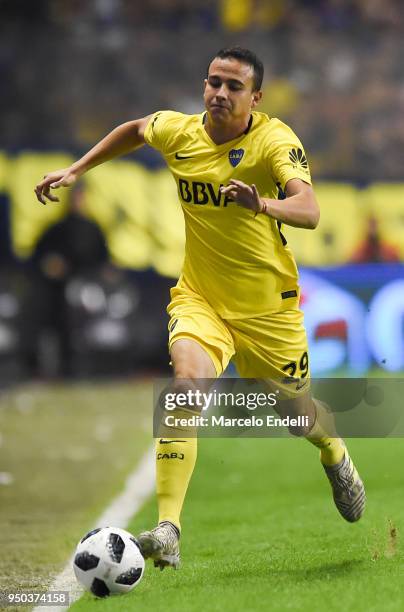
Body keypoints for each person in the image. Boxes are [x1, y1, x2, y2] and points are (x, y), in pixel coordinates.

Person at [35, 47, 365, 571]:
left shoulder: (275, 141)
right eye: (213, 81)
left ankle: (335, 453)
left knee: (299, 417)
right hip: (201, 298)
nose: (219, 93)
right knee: (185, 387)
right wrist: (78, 170)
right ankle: (169, 529)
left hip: (267, 311)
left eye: (234, 87)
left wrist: (262, 203)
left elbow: (310, 209)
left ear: (255, 98)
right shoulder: (180, 131)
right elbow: (137, 128)